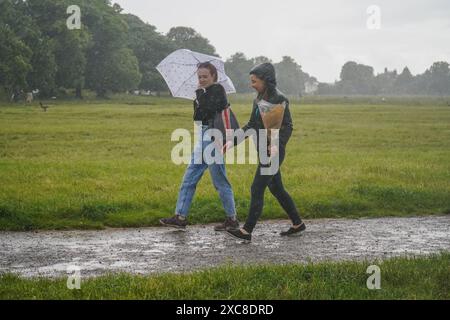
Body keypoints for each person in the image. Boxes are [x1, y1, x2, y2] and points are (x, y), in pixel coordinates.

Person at [226, 63, 305, 242]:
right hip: (263, 148)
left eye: (254, 81)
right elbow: (252, 125)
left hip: (274, 151)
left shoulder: (278, 98)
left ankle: (247, 231)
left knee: (257, 187)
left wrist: (276, 144)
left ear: (265, 80)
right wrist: (231, 141)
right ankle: (297, 224)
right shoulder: (259, 98)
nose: (251, 84)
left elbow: (286, 127)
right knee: (277, 188)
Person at [160, 62, 239, 231]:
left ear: (213, 76)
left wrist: (198, 94)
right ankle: (180, 217)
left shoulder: (218, 90)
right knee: (190, 177)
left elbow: (209, 109)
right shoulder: (203, 93)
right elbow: (197, 117)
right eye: (199, 77)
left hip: (213, 136)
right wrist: (198, 98)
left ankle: (231, 219)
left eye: (205, 76)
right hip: (203, 134)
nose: (201, 80)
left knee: (219, 180)